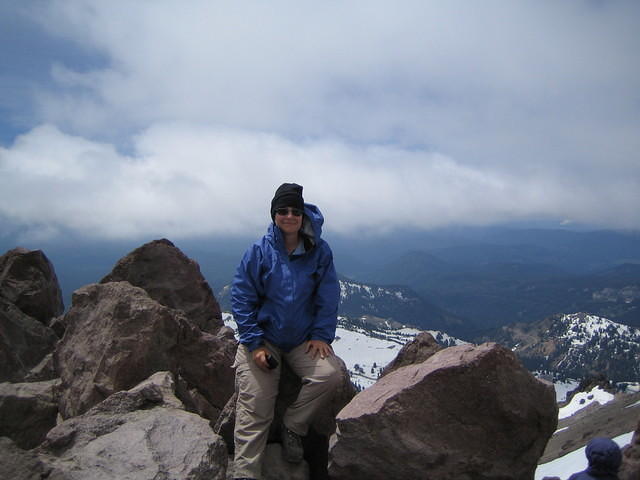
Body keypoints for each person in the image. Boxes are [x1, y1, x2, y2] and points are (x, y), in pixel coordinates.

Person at [231, 182, 342, 480]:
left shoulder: (319, 251)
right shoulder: (258, 252)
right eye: (282, 210)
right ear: (274, 214)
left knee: (329, 375)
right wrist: (254, 344)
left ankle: (293, 426)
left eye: (295, 210)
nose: (289, 216)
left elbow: (328, 295)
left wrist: (321, 334)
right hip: (264, 340)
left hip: (301, 339)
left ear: (303, 214)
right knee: (256, 405)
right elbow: (241, 298)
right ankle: (245, 473)